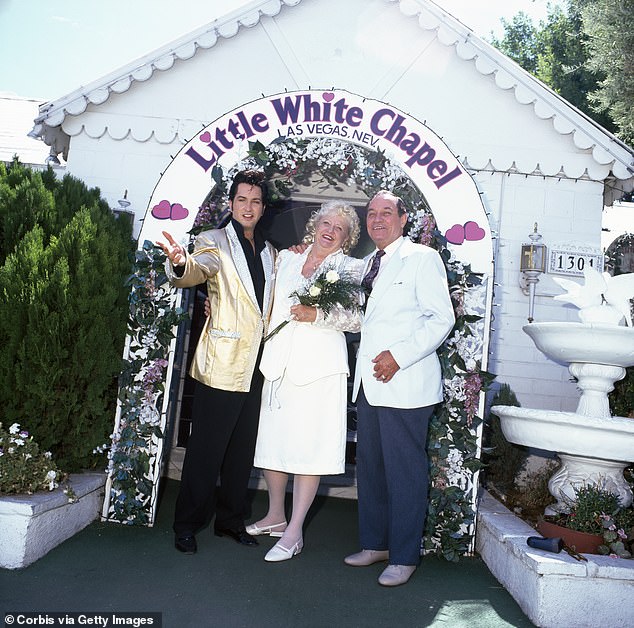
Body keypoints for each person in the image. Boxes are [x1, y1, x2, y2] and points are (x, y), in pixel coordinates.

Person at [157, 169, 276, 555]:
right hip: (221, 363)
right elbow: (196, 270)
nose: (248, 207)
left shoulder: (271, 251)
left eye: (255, 201)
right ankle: (186, 525)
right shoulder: (212, 241)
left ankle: (229, 521)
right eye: (242, 199)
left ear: (262, 208)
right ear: (231, 203)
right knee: (206, 451)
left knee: (241, 453)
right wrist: (179, 263)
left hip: (257, 368)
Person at [344, 190, 455, 586]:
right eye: (371, 213)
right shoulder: (368, 264)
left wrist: (400, 355)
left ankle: (405, 555)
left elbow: (441, 318)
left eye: (386, 213)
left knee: (405, 472)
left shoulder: (422, 259)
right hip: (370, 385)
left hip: (405, 383)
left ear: (403, 218)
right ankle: (376, 544)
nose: (377, 219)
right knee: (371, 469)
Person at [246, 200, 365, 562]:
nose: (330, 230)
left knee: (308, 450)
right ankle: (275, 516)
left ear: (347, 238)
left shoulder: (350, 266)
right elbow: (265, 303)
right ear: (314, 225)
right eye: (325, 222)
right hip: (278, 364)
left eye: (339, 228)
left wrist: (318, 314)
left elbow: (356, 318)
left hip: (319, 370)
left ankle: (295, 531)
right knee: (274, 442)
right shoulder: (287, 258)